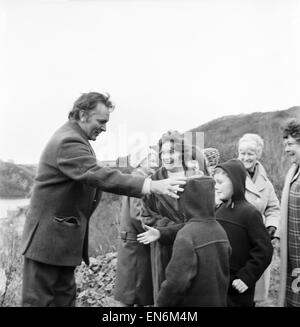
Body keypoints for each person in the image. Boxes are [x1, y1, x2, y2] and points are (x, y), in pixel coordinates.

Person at [21, 92, 186, 307]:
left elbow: (98, 173)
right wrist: (151, 186)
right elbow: (98, 175)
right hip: (48, 245)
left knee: (63, 299)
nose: (105, 128)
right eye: (101, 121)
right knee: (39, 302)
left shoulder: (76, 138)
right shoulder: (68, 141)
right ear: (82, 114)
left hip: (60, 245)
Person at [137, 130, 207, 305]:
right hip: (163, 248)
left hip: (194, 244)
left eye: (172, 152)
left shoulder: (195, 177)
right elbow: (146, 215)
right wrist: (169, 229)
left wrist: (187, 228)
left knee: (193, 294)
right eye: (163, 153)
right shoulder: (154, 180)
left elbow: (207, 212)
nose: (166, 157)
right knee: (167, 295)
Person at [156, 176, 231, 307]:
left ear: (186, 203)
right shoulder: (220, 230)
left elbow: (176, 283)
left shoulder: (187, 235)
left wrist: (161, 304)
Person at [214, 159, 273, 307]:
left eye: (220, 182)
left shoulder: (250, 213)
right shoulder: (219, 210)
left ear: (234, 182)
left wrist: (246, 277)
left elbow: (264, 250)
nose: (216, 187)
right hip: (219, 284)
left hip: (238, 289)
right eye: (215, 183)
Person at [237, 133, 280, 304]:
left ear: (258, 155)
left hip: (257, 240)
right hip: (236, 240)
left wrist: (271, 226)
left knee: (252, 289)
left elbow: (273, 208)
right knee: (235, 289)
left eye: (250, 153)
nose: (245, 157)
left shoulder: (265, 182)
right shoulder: (229, 175)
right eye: (242, 152)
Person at [114, 146, 158, 307]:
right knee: (131, 294)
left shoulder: (138, 179)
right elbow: (138, 214)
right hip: (136, 243)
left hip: (132, 241)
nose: (155, 163)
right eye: (151, 160)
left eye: (155, 160)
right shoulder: (140, 182)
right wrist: (155, 230)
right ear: (140, 163)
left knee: (133, 291)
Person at [278, 118, 300, 307]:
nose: (286, 149)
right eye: (285, 144)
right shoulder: (294, 172)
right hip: (294, 259)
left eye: (290, 144)